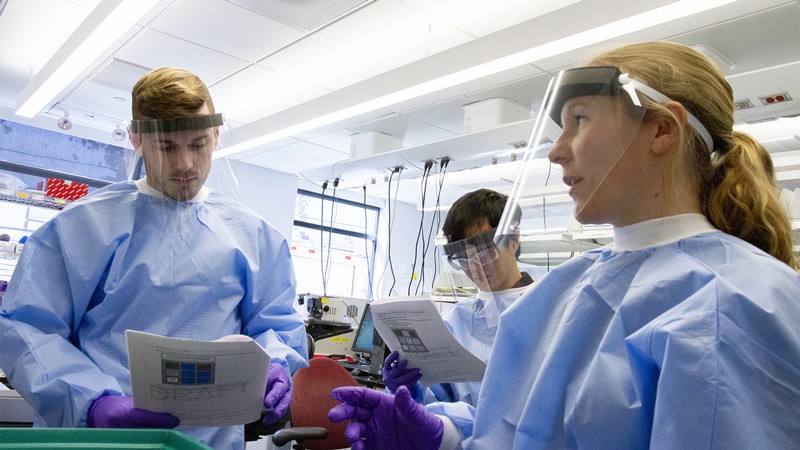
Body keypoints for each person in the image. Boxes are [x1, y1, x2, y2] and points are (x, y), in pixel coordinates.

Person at [327, 41, 800, 449]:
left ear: (661, 129)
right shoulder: (562, 292)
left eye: (579, 120)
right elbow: (525, 433)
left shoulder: (736, 302)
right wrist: (445, 439)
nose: (556, 150)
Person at [0, 67, 308, 450]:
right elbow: (28, 329)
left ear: (215, 136)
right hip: (99, 439)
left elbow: (276, 326)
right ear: (137, 140)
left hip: (207, 443)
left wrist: (277, 366)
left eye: (197, 144)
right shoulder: (80, 227)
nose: (184, 165)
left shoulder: (256, 238)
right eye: (167, 147)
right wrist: (92, 402)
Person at [382, 189, 534, 415]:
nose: (476, 267)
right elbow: (434, 408)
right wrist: (407, 390)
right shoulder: (454, 323)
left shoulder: (548, 311)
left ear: (514, 239)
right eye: (464, 259)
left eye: (484, 253)